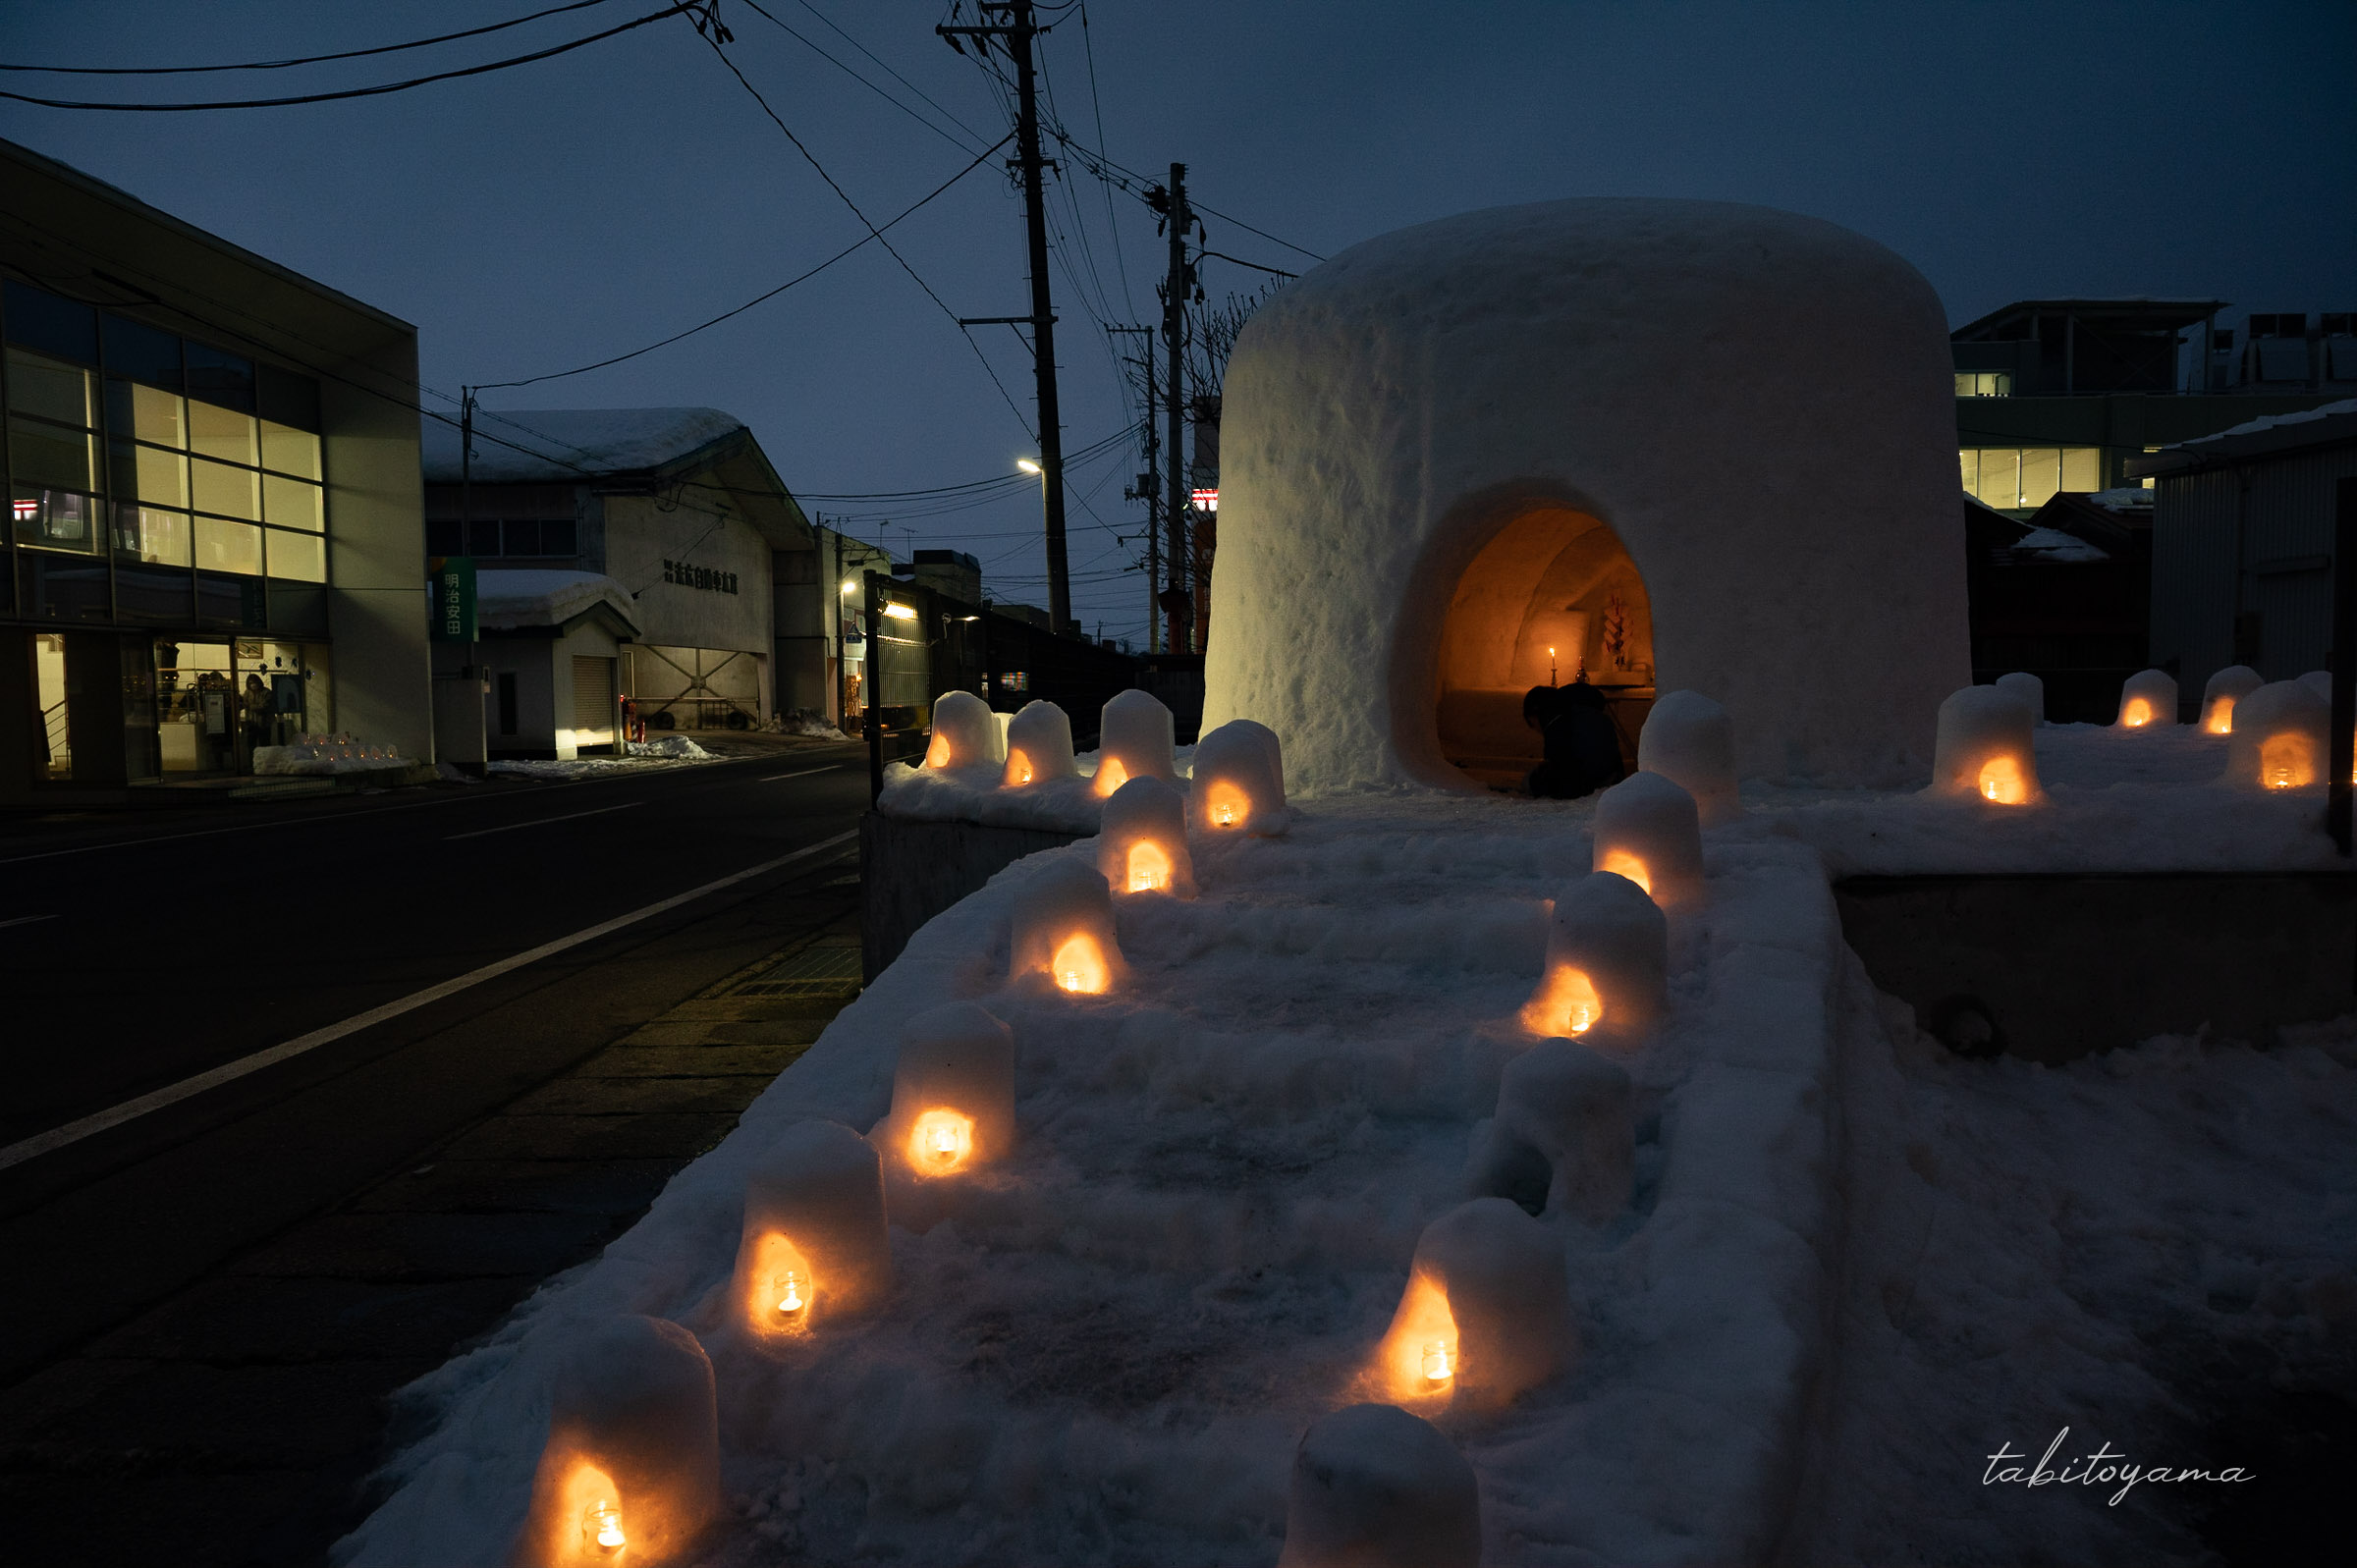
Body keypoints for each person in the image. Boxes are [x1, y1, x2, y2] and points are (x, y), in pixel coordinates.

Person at [1524, 680, 1627, 799]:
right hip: (1611, 775)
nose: (1537, 730)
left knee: (1532, 781)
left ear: (1535, 714)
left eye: (1532, 724)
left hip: (1586, 781)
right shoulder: (1588, 712)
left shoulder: (1557, 722)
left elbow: (1561, 766)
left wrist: (1540, 776)